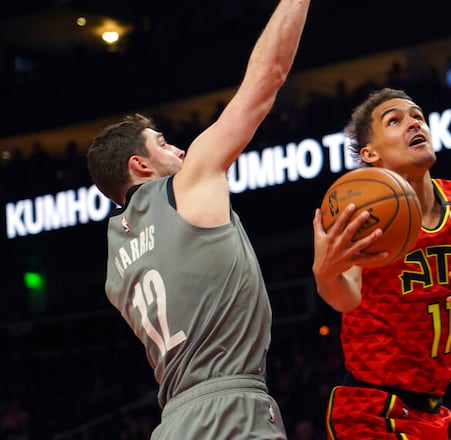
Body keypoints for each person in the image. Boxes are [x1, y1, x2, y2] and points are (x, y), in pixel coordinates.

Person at [84, 0, 310, 438]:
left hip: (174, 422)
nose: (181, 151)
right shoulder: (186, 185)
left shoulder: (115, 263)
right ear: (140, 165)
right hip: (231, 411)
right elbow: (268, 78)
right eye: (164, 143)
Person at [311, 87, 451, 439]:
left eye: (417, 115)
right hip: (370, 410)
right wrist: (324, 274)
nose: (413, 123)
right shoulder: (361, 217)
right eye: (395, 120)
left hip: (433, 412)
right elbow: (345, 298)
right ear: (370, 153)